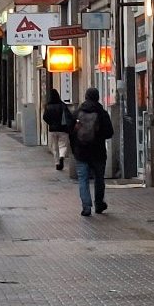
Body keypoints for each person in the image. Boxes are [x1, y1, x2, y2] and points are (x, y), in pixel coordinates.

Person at [69, 87, 115, 217]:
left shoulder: (77, 112)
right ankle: (99, 204)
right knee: (99, 179)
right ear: (98, 97)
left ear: (86, 96)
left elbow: (71, 132)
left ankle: (86, 207)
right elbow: (109, 133)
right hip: (98, 153)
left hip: (81, 153)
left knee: (83, 179)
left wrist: (75, 149)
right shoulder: (102, 113)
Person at [42, 88, 72, 170]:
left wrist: (50, 123)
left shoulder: (47, 106)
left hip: (52, 129)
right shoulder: (62, 105)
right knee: (63, 145)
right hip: (63, 128)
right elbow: (68, 116)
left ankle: (57, 163)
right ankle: (62, 156)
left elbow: (45, 117)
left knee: (54, 147)